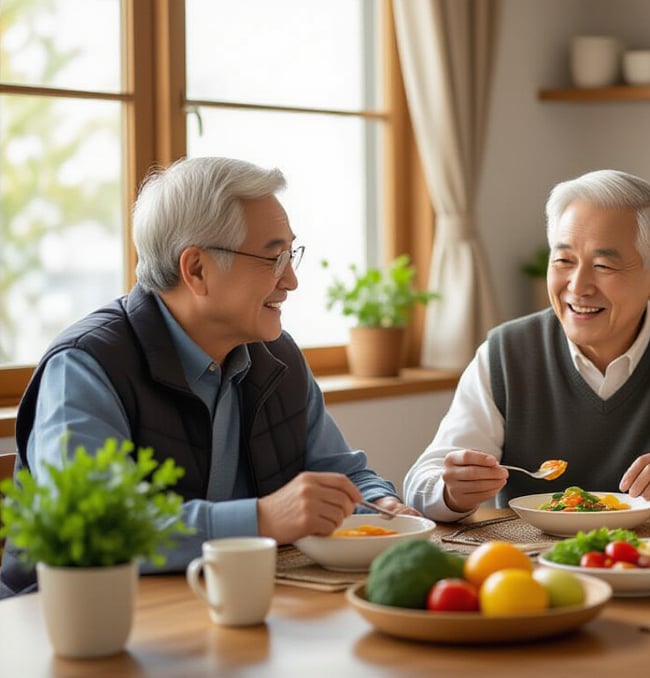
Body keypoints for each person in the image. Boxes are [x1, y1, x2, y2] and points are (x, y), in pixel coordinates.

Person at [1, 157, 418, 598]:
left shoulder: (278, 356)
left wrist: (380, 503)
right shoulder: (86, 366)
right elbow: (94, 529)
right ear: (196, 269)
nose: (291, 280)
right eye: (273, 258)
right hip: (75, 624)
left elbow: (341, 472)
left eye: (290, 255)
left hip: (220, 605)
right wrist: (262, 519)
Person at [404, 169, 650, 524]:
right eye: (563, 260)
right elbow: (423, 482)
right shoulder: (507, 352)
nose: (578, 285)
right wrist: (452, 492)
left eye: (603, 266)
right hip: (531, 577)